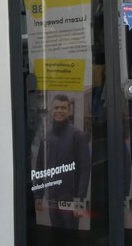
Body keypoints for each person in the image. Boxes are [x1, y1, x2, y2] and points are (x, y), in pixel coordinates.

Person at [31, 94, 92, 229]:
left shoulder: (78, 136)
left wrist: (79, 200)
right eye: (56, 107)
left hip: (70, 201)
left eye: (63, 108)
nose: (59, 111)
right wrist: (38, 195)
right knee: (56, 238)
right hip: (52, 199)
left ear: (69, 111)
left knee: (70, 241)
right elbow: (40, 167)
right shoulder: (47, 137)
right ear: (52, 111)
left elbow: (84, 170)